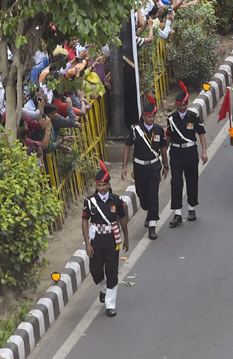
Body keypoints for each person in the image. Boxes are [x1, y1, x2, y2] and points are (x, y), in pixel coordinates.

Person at [81, 162, 129, 318]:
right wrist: (87, 243)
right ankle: (103, 288)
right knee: (95, 270)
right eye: (99, 185)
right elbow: (84, 221)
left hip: (112, 239)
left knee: (112, 271)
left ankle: (110, 304)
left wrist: (125, 238)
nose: (101, 188)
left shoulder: (116, 200)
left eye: (104, 185)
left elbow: (122, 218)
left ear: (109, 185)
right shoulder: (89, 202)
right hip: (96, 240)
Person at [122, 95, 167, 241]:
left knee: (153, 195)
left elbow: (164, 149)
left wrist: (166, 166)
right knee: (143, 195)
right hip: (139, 167)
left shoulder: (159, 130)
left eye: (153, 116)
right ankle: (148, 212)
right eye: (149, 117)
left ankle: (152, 225)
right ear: (144, 116)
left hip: (154, 166)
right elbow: (127, 147)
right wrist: (124, 167)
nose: (151, 119)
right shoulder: (135, 130)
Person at [165, 82, 207, 227]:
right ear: (176, 105)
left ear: (187, 104)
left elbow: (201, 133)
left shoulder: (193, 117)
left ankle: (191, 208)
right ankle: (177, 212)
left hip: (190, 151)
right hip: (176, 152)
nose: (181, 108)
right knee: (176, 182)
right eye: (179, 105)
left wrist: (204, 152)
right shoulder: (171, 119)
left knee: (192, 180)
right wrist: (163, 153)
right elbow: (168, 137)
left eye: (184, 105)